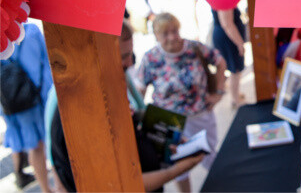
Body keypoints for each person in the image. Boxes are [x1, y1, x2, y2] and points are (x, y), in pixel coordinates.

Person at [50, 19, 204, 192]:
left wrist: (162, 136)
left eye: (131, 55)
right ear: (98, 56)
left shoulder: (104, 87)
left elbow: (128, 126)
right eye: (123, 56)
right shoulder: (83, 112)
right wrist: (177, 170)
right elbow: (120, 184)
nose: (130, 63)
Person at [137, 13, 226, 192]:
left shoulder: (194, 48)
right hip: (170, 122)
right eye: (165, 33)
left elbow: (220, 61)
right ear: (156, 36)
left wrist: (218, 92)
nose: (171, 37)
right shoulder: (151, 58)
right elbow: (140, 90)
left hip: (200, 115)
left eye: (174, 31)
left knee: (211, 156)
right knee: (178, 166)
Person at [1, 23, 53, 192]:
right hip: (38, 98)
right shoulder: (31, 31)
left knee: (35, 147)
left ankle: (46, 189)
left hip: (17, 105)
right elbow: (47, 63)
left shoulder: (3, 40)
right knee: (49, 142)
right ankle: (58, 184)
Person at [212, 7, 246, 106]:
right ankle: (235, 100)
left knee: (234, 69)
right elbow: (227, 24)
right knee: (235, 70)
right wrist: (239, 43)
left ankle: (236, 94)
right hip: (229, 38)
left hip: (226, 36)